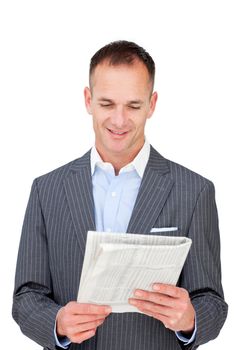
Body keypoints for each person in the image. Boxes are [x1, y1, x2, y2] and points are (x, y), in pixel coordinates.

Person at [12, 40, 228, 350]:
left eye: (133, 105)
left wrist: (191, 319)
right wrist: (56, 322)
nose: (119, 120)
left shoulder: (194, 192)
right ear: (88, 100)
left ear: (152, 104)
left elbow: (212, 303)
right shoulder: (47, 190)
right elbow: (26, 297)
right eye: (107, 103)